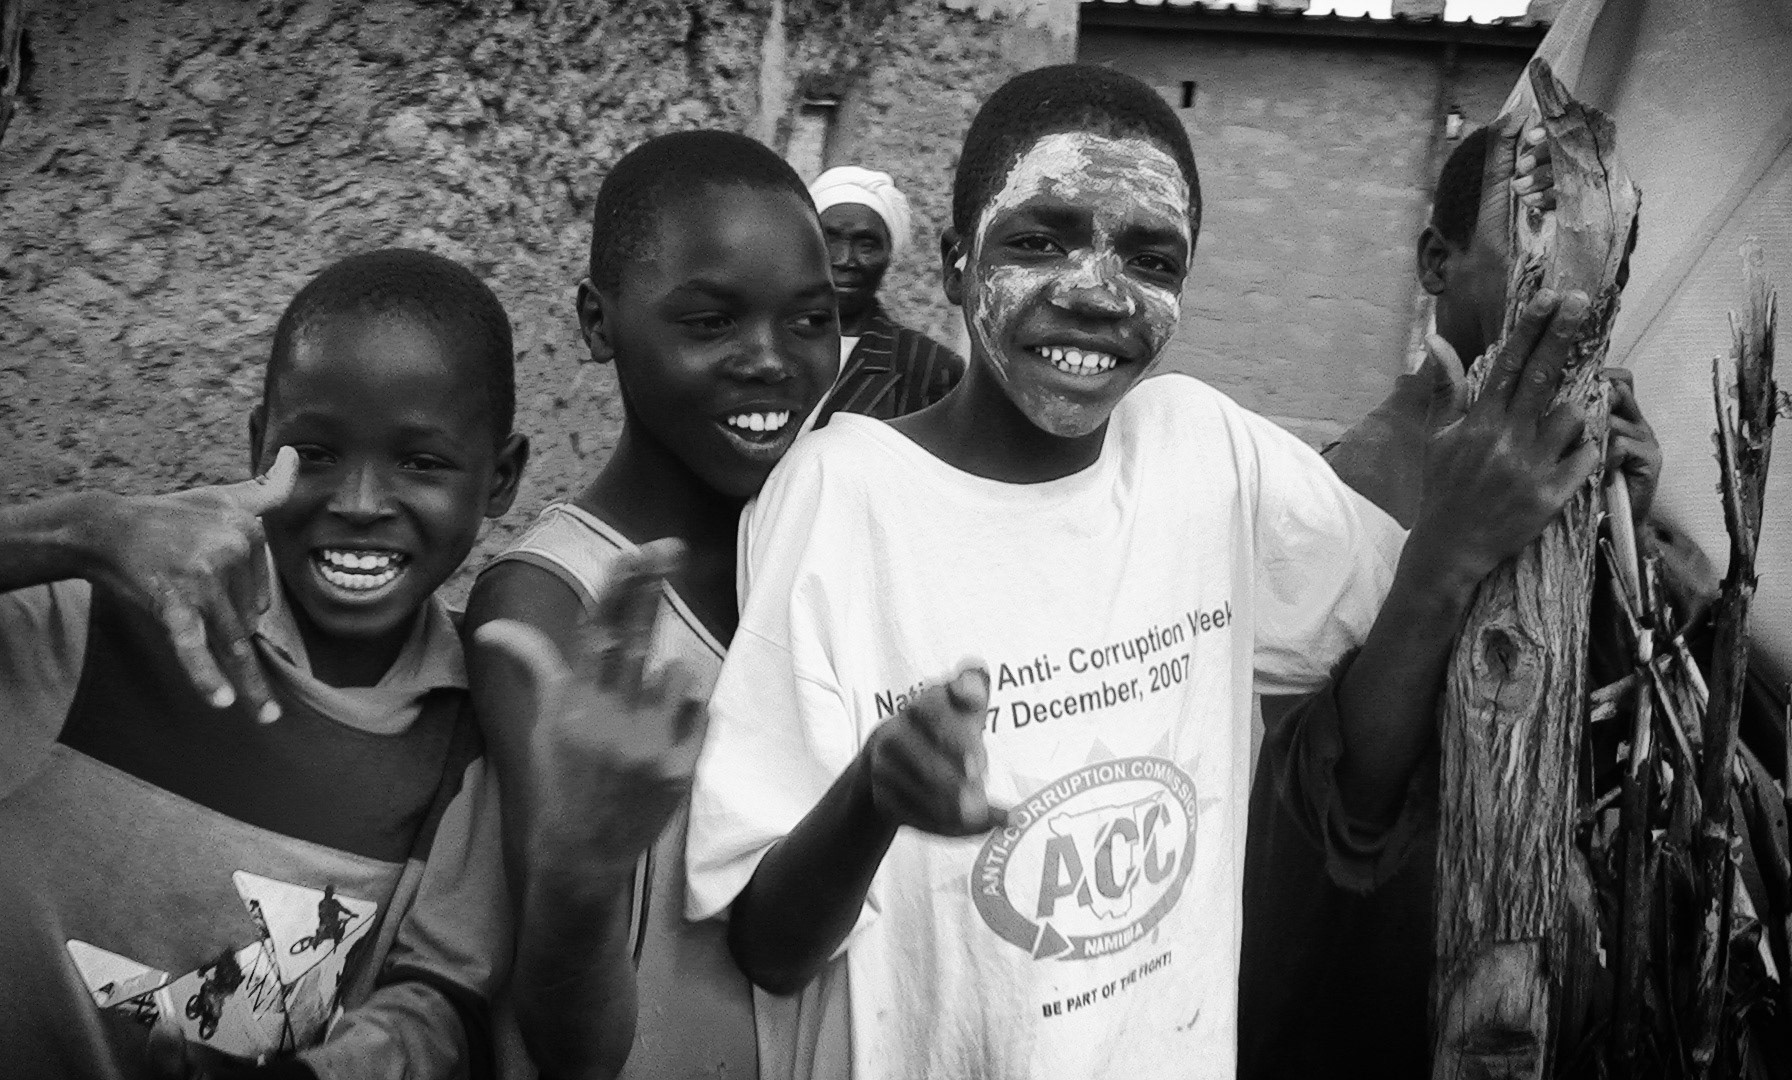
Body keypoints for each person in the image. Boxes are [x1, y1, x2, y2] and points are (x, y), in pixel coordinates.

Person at [684, 64, 1604, 1080]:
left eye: (1151, 256)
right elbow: (769, 949)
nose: (1096, 292)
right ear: (951, 263)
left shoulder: (1206, 456)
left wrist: (1461, 542)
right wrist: (874, 795)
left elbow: (1393, 693)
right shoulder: (838, 496)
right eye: (1038, 239)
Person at [0, 248, 526, 1079]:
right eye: (315, 454)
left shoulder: (470, 723)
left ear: (500, 478)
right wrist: (77, 530)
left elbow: (436, 1000)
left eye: (422, 462)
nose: (360, 502)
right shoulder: (91, 642)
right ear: (260, 443)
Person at [1233, 123, 1708, 1080]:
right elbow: (1333, 812)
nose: (1572, 260)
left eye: (1595, 233)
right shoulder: (1339, 494)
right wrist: (1447, 557)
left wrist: (1626, 536)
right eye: (1535, 221)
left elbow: (1610, 740)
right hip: (1389, 1010)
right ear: (1436, 263)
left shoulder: (1597, 477)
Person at [458, 130, 841, 1080]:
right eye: (709, 322)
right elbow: (566, 1038)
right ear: (598, 322)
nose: (770, 360)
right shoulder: (550, 607)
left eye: (809, 319)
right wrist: (588, 851)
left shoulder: (814, 561)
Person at [808, 165, 965, 422]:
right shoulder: (764, 337)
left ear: (889, 255)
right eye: (830, 239)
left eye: (867, 245)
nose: (845, 259)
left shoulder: (928, 368)